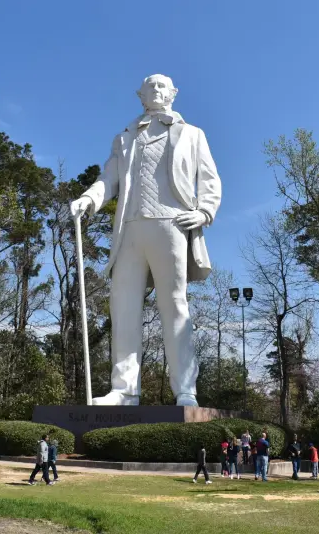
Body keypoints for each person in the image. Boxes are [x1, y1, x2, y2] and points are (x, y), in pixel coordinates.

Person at [70, 74, 222, 407]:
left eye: (161, 86)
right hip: (130, 228)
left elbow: (209, 179)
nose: (155, 90)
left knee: (174, 305)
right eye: (149, 87)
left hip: (172, 223)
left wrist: (205, 211)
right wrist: (89, 199)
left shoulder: (192, 134)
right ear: (140, 96)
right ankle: (124, 390)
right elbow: (108, 177)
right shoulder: (125, 139)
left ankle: (185, 390)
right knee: (122, 306)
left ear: (173, 93)